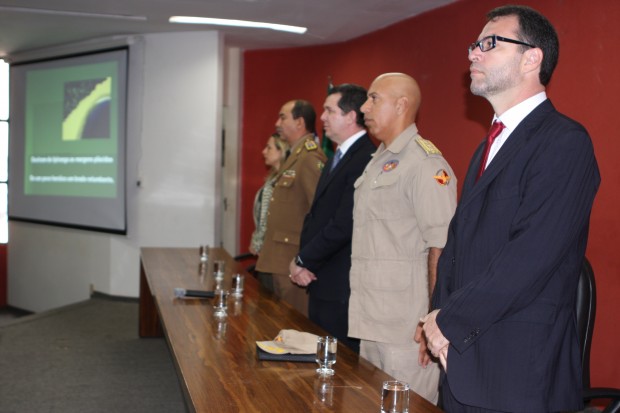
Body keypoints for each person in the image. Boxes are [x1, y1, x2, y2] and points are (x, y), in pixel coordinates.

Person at [421, 5, 600, 412]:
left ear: (531, 58)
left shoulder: (564, 141)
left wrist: (448, 322)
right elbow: (458, 246)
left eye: (489, 43)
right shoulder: (490, 144)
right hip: (462, 361)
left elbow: (530, 256)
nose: (473, 53)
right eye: (474, 45)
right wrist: (437, 316)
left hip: (516, 374)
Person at [348, 72, 457, 403]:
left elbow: (442, 246)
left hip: (406, 327)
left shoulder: (425, 163)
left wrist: (432, 321)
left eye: (373, 98)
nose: (364, 107)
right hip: (370, 319)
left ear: (401, 105)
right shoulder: (377, 162)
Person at [289, 84, 376, 353]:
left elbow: (344, 223)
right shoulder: (338, 155)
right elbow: (318, 215)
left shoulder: (364, 158)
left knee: (338, 362)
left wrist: (304, 260)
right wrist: (305, 260)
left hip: (340, 283)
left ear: (351, 116)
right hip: (321, 276)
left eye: (329, 110)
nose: (322, 117)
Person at [255, 100, 326, 316]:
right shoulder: (294, 156)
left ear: (299, 122)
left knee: (291, 325)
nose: (277, 123)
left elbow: (319, 212)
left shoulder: (309, 157)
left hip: (290, 260)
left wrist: (307, 259)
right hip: (277, 259)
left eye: (283, 117)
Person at [249, 133, 290, 291]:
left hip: (275, 255)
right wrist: (257, 239)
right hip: (266, 253)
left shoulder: (285, 181)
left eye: (269, 148)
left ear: (281, 151)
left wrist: (259, 241)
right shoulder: (272, 179)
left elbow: (274, 219)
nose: (263, 152)